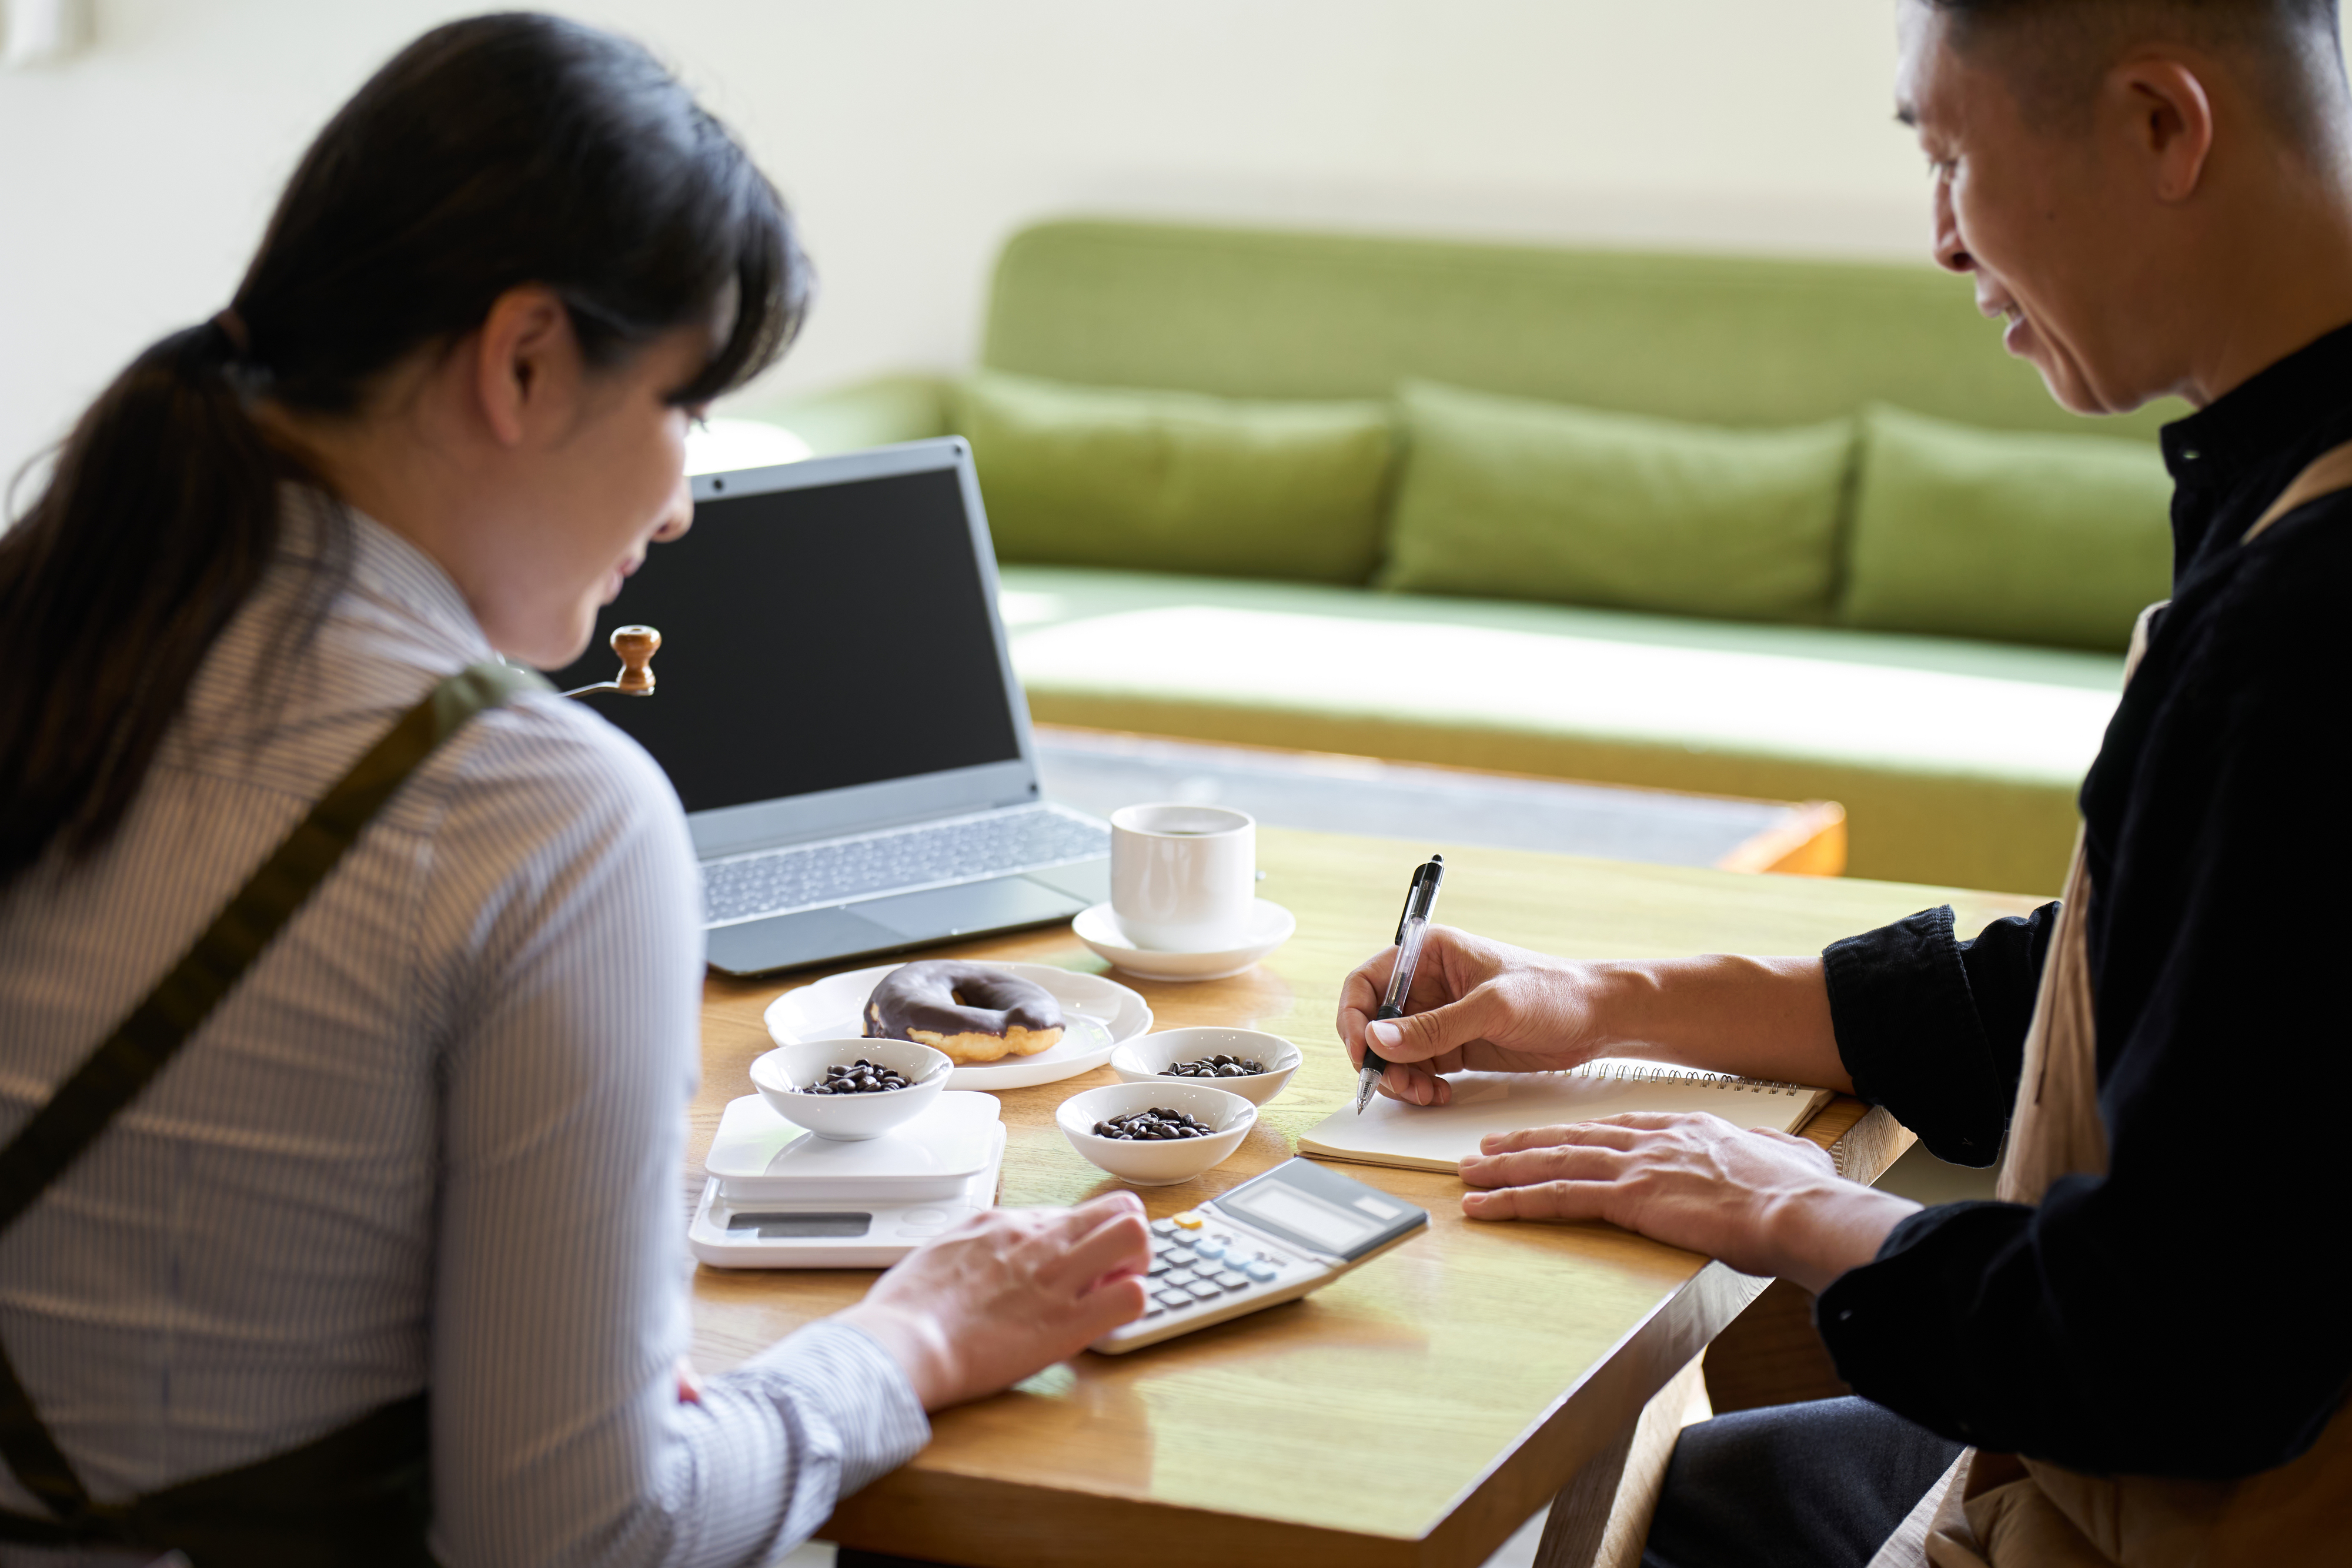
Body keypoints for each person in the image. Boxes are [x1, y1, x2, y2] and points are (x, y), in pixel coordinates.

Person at [0, 16, 1147, 1567]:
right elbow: (581, 1531)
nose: (681, 500)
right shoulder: (536, 813)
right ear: (527, 358)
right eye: (686, 403)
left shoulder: (57, 629)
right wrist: (910, 1343)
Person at [1337, 2, 2352, 1564]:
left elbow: (2184, 1348)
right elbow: (2145, 991)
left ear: (2164, 124)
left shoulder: (2305, 630)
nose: (1942, 239)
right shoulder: (2283, 491)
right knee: (1710, 1483)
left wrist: (1800, 1210)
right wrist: (1595, 998)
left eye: (1951, 156)